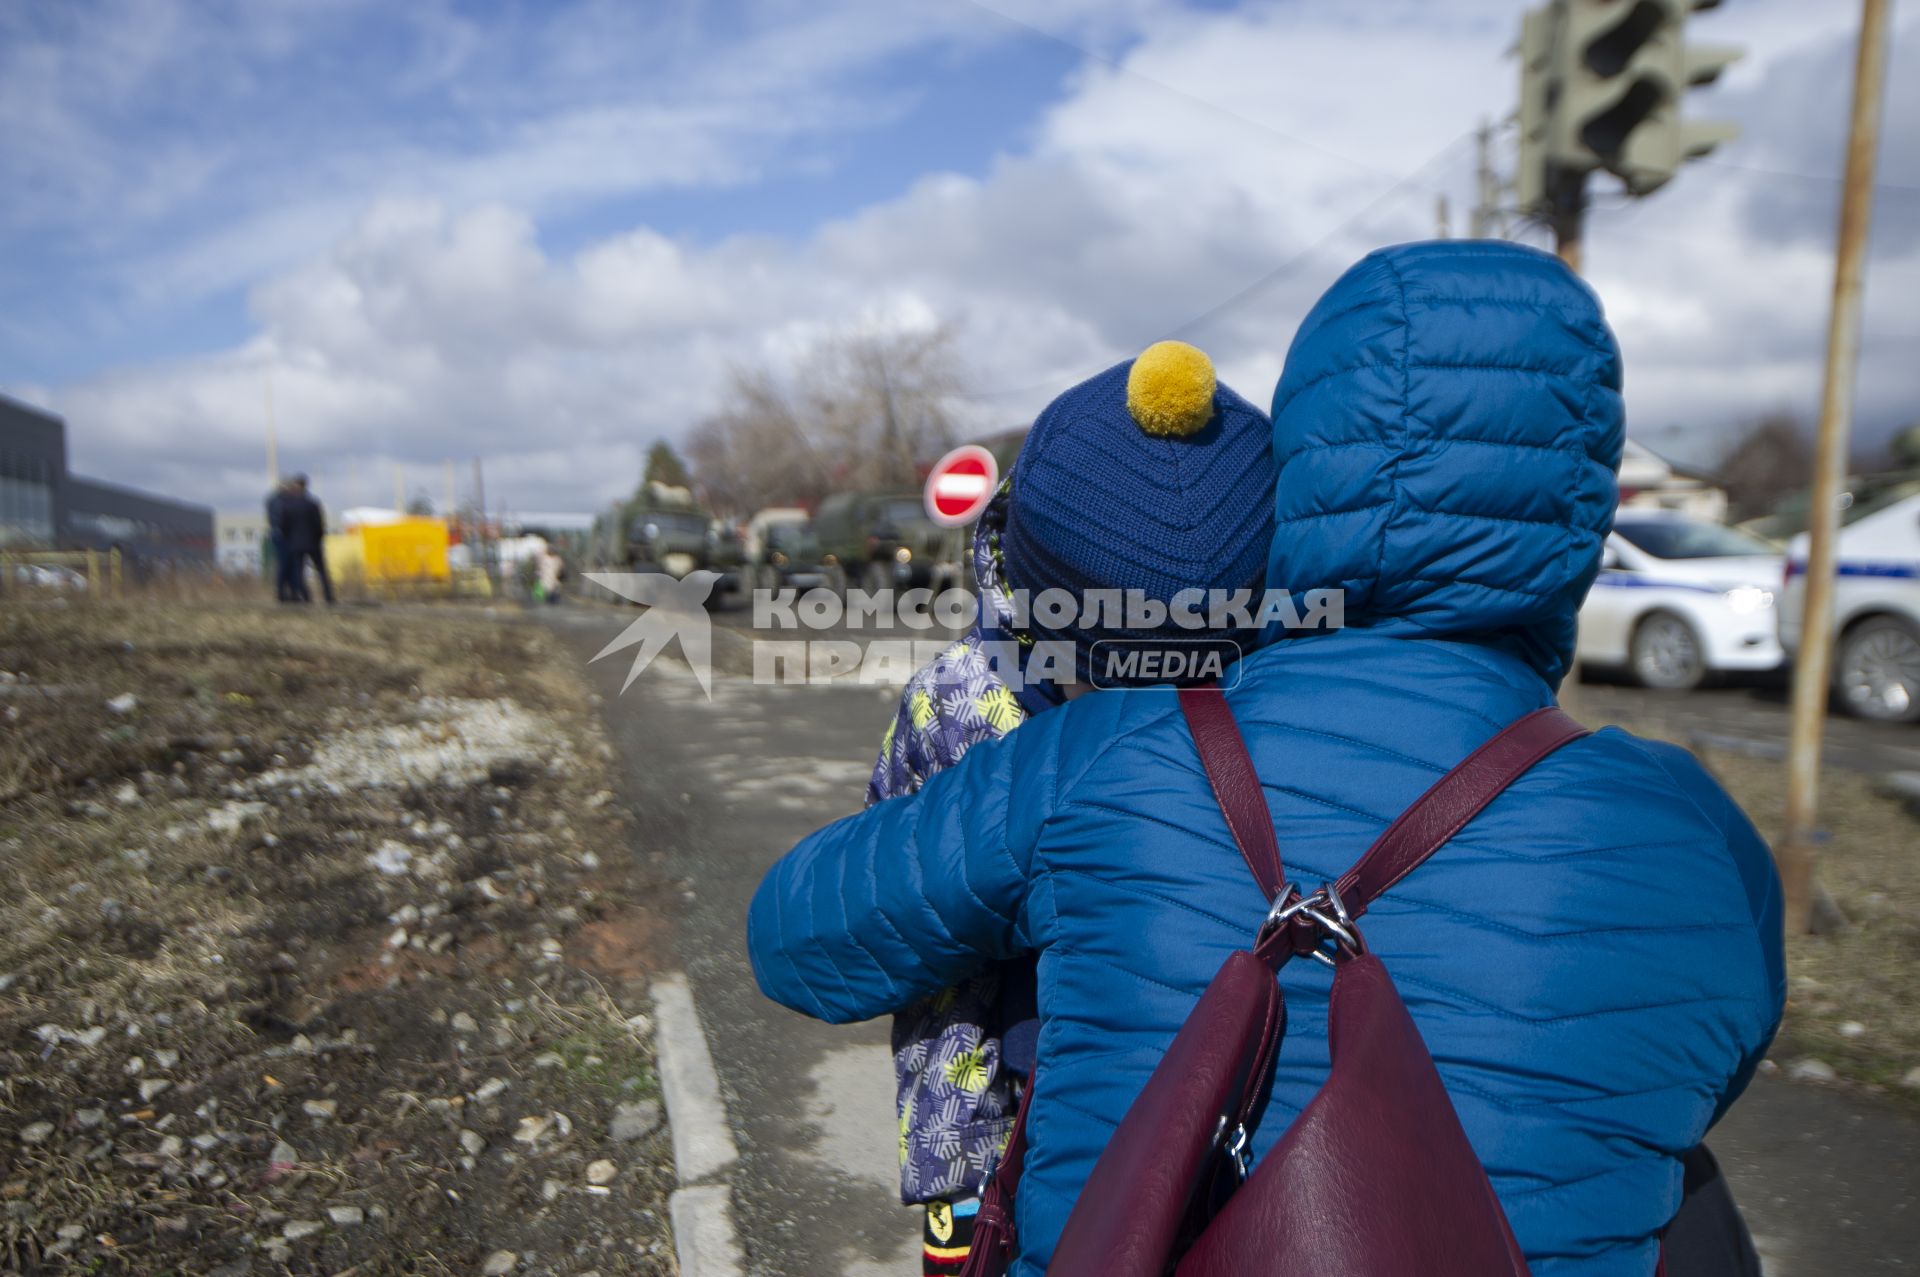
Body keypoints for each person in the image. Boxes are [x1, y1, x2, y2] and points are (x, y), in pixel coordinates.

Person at [747, 242, 1785, 1277]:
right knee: (1691, 1204)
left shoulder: (1108, 751)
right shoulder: (1698, 834)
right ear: (1583, 507)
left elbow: (794, 935)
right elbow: (1704, 1069)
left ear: (1309, 470)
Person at [867, 340, 1276, 1275]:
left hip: (1183, 1101)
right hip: (1052, 1109)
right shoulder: (965, 711)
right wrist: (957, 1184)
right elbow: (935, 969)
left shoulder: (966, 699)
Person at [275, 474, 333, 605]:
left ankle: (306, 596)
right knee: (321, 570)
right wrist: (318, 538)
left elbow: (283, 525)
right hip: (313, 543)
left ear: (295, 487)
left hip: (295, 543)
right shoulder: (312, 504)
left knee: (298, 571)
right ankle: (328, 595)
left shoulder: (288, 506)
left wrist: (288, 538)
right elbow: (319, 525)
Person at [265, 478, 297, 602]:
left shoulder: (271, 500)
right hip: (285, 535)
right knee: (288, 565)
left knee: (283, 564)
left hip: (276, 534)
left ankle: (282, 592)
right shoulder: (284, 501)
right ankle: (288, 592)